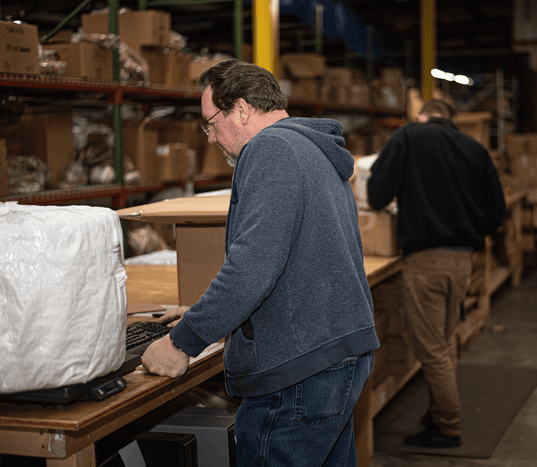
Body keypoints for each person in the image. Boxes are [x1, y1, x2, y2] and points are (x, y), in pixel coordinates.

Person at [141, 59, 379, 466]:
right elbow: (299, 260)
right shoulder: (311, 149)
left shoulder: (271, 149)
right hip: (334, 355)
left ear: (241, 109)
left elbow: (253, 266)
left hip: (300, 368)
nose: (211, 137)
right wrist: (210, 315)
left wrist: (184, 341)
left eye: (211, 122)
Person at [367, 98, 505, 448]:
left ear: (421, 116)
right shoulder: (475, 148)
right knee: (443, 343)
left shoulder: (409, 136)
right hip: (463, 261)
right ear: (450, 118)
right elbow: (496, 212)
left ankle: (448, 426)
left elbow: (377, 193)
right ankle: (438, 412)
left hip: (425, 261)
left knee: (431, 348)